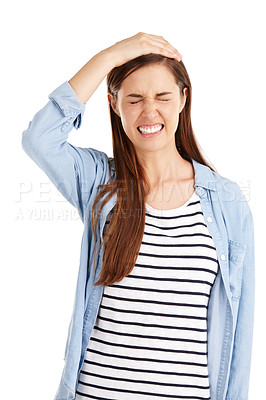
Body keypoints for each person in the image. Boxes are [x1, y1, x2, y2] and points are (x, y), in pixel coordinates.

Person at [21, 32, 255, 400]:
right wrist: (111, 55)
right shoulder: (100, 183)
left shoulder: (226, 201)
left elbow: (239, 331)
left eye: (162, 96)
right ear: (114, 105)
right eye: (134, 99)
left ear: (183, 98)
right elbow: (40, 138)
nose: (149, 112)